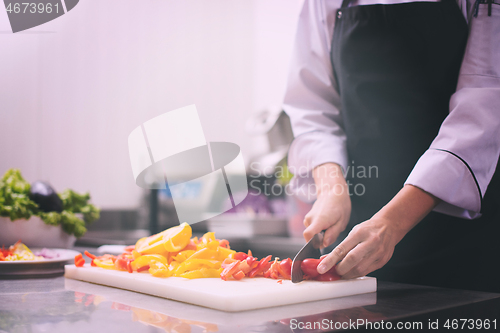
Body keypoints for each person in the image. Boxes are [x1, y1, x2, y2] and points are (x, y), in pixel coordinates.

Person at [283, 0, 500, 293]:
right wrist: (331, 190)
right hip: (357, 240)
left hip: (462, 245)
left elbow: (483, 109)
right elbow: (313, 110)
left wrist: (393, 222)